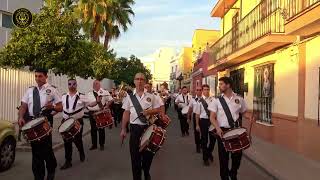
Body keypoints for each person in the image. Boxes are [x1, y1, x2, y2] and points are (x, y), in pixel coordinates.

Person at [18, 68, 63, 180]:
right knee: (36, 152)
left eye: (40, 76)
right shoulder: (30, 90)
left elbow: (60, 107)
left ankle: (51, 169)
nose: (37, 79)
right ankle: (39, 176)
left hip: (45, 121)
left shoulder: (52, 90)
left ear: (46, 76)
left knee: (46, 150)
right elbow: (23, 106)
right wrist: (20, 117)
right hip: (32, 123)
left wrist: (52, 107)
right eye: (36, 76)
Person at [208, 77, 253, 180]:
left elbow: (244, 112)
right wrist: (218, 128)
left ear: (228, 85)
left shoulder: (239, 98)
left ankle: (233, 173)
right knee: (223, 158)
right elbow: (212, 117)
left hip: (236, 131)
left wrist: (249, 116)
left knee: (237, 156)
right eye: (219, 84)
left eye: (221, 84)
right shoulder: (216, 100)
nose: (219, 86)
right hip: (222, 131)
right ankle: (224, 177)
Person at [120, 73, 162, 180]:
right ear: (134, 81)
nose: (139, 81)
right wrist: (123, 129)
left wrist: (149, 111)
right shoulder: (129, 97)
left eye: (142, 79)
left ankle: (146, 171)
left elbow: (158, 109)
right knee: (135, 157)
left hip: (148, 128)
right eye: (137, 79)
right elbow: (126, 113)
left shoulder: (151, 96)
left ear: (145, 82)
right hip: (134, 129)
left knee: (148, 155)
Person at [60, 79, 102, 170]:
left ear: (76, 85)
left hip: (77, 121)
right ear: (67, 85)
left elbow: (90, 105)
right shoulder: (63, 96)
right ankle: (68, 161)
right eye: (70, 84)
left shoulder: (82, 96)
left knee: (77, 140)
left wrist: (97, 101)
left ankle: (81, 151)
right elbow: (60, 107)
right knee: (67, 142)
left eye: (74, 84)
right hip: (65, 121)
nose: (72, 85)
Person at [87, 80, 113, 151]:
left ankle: (102, 144)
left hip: (100, 112)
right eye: (94, 84)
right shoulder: (89, 93)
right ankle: (94, 145)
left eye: (97, 84)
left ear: (100, 84)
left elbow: (111, 100)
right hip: (91, 113)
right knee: (93, 129)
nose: (95, 85)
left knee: (101, 129)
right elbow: (88, 103)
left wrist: (107, 106)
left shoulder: (104, 92)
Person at [195, 84, 216, 166]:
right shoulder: (199, 101)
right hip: (203, 122)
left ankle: (208, 152)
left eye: (207, 89)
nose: (206, 91)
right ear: (202, 91)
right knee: (204, 140)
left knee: (213, 140)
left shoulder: (213, 100)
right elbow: (197, 114)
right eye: (205, 89)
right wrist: (197, 125)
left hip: (212, 122)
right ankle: (205, 158)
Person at [187, 86, 202, 153]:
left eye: (200, 90)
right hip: (195, 117)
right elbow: (190, 110)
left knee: (204, 133)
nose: (199, 91)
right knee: (197, 132)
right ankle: (198, 146)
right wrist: (188, 118)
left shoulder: (205, 99)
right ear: (195, 91)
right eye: (197, 90)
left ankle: (202, 143)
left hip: (204, 117)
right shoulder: (193, 100)